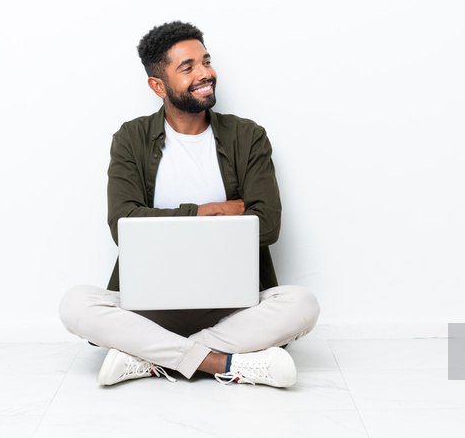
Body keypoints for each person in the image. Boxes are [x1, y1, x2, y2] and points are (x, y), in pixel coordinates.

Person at [58, 21, 320, 388]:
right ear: (158, 85)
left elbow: (268, 224)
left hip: (233, 308)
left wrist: (165, 219)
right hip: (151, 309)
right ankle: (225, 362)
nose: (205, 74)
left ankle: (149, 357)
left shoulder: (247, 135)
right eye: (188, 67)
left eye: (206, 61)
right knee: (75, 304)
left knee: (303, 304)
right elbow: (123, 222)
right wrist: (209, 211)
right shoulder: (131, 138)